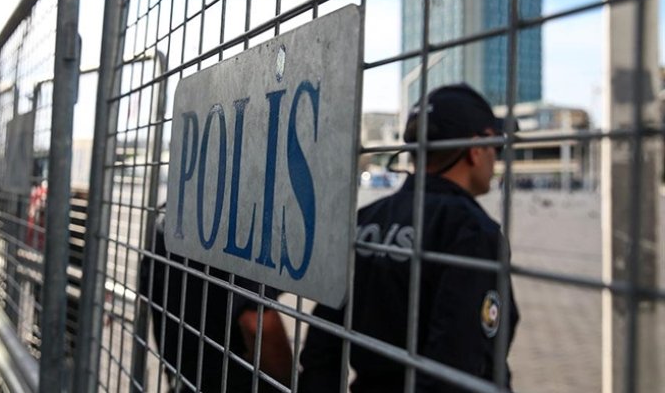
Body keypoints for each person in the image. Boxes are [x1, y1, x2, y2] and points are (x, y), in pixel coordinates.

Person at [299, 84, 520, 392]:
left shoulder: (365, 219)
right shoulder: (471, 232)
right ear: (476, 147)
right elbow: (454, 372)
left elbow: (322, 349)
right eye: (497, 146)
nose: (496, 157)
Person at [139, 208, 293, 392]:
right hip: (227, 381)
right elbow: (258, 324)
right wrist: (290, 384)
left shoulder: (167, 214)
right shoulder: (234, 219)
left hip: (183, 378)